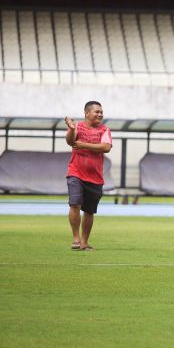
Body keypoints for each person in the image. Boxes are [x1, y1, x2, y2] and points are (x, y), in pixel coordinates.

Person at [64, 100, 113, 251]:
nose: (100, 114)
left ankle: (85, 242)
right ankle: (76, 239)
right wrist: (72, 130)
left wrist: (84, 144)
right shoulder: (77, 127)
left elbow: (106, 147)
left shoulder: (105, 129)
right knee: (75, 203)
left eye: (101, 112)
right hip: (76, 172)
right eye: (97, 111)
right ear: (86, 113)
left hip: (95, 177)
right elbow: (70, 141)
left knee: (90, 211)